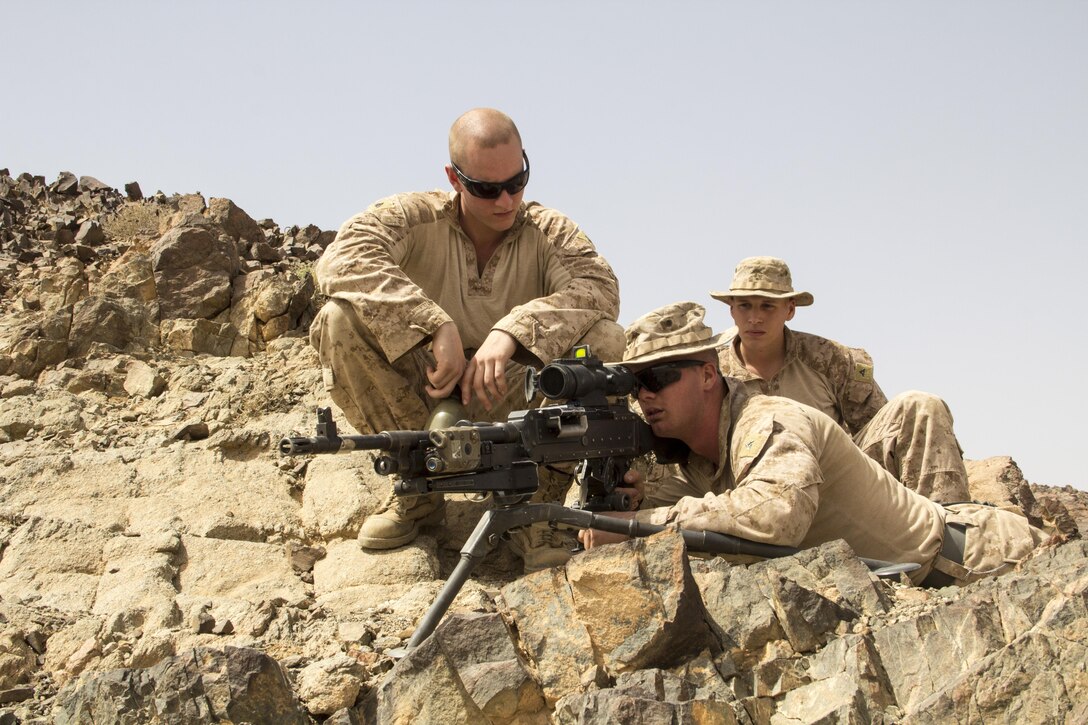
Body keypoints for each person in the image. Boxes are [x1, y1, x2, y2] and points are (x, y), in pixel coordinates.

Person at [310, 108, 624, 570]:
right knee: (337, 320)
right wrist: (434, 324)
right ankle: (416, 491)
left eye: (517, 182)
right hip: (425, 385)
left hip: (514, 391)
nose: (505, 201)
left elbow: (600, 289)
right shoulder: (412, 216)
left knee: (604, 341)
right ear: (454, 179)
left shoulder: (548, 229)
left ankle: (536, 510)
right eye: (486, 189)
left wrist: (510, 334)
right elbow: (340, 262)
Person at [578, 302, 1045, 588]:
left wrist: (638, 523)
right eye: (636, 383)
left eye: (658, 378)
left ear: (706, 375)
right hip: (921, 584)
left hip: (986, 561)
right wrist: (620, 499)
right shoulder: (686, 456)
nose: (646, 395)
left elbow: (774, 516)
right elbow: (588, 526)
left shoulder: (770, 418)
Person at [710, 256, 971, 503]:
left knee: (921, 405)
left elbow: (883, 429)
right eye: (745, 306)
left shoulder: (830, 359)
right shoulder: (710, 372)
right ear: (732, 310)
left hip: (836, 484)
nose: (755, 318)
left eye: (768, 306)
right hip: (752, 491)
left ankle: (949, 530)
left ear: (790, 310)